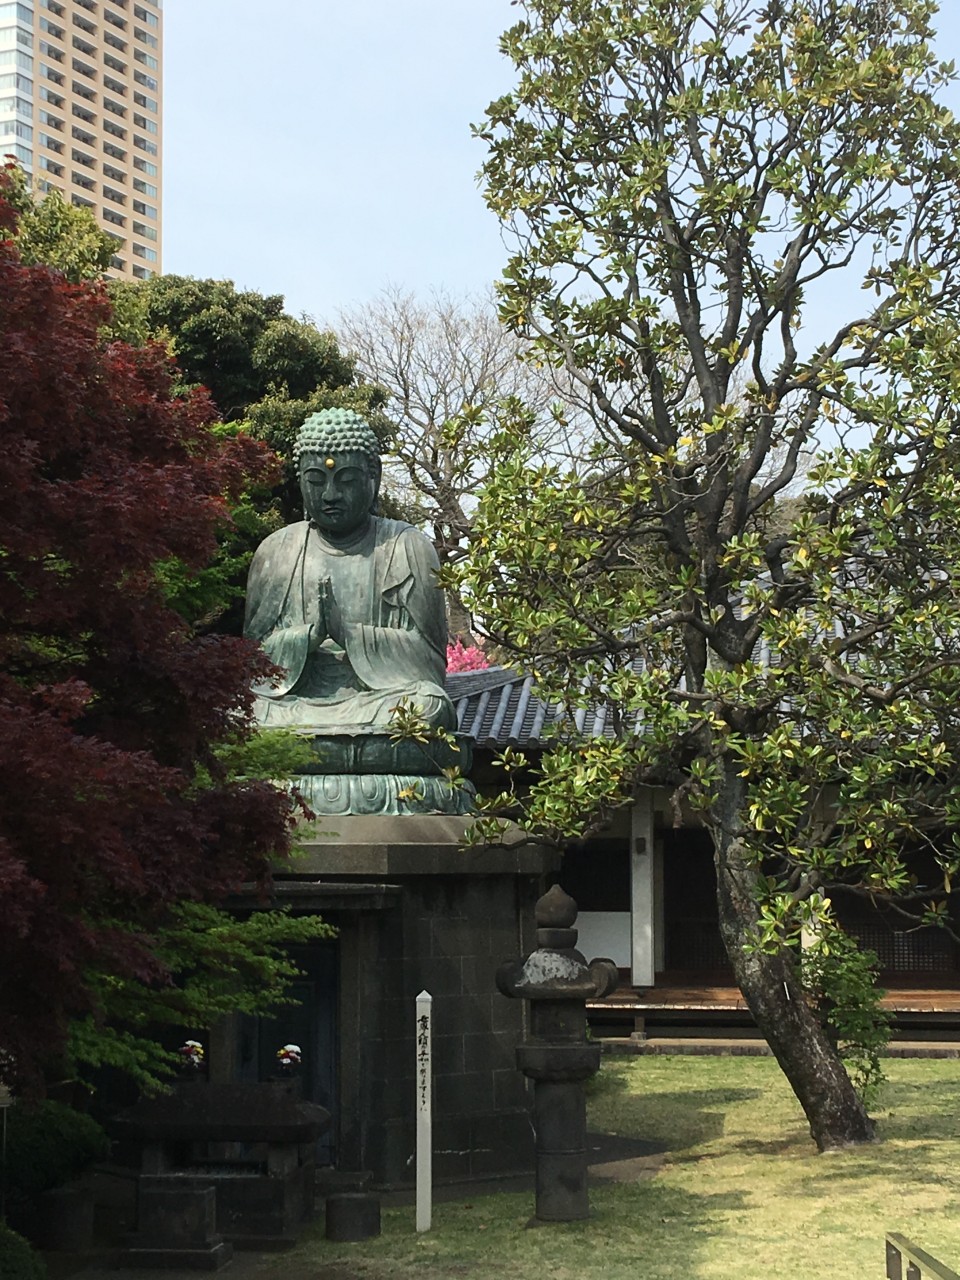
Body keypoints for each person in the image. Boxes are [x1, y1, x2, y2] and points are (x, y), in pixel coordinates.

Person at [243, 408, 455, 733]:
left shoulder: (406, 546)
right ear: (300, 481)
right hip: (292, 702)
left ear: (374, 478)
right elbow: (251, 665)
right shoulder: (276, 550)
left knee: (428, 704)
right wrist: (305, 639)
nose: (330, 495)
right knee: (241, 710)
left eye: (347, 480)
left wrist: (350, 635)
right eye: (316, 481)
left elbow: (431, 664)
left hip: (382, 699)